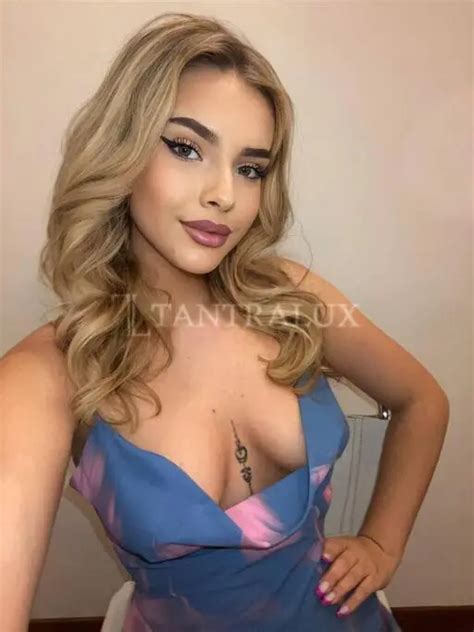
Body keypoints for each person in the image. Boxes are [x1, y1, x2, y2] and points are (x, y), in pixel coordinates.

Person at [0, 11, 449, 631]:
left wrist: (382, 542)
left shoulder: (289, 297)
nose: (225, 195)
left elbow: (423, 400)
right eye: (186, 148)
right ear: (122, 151)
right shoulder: (49, 373)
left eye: (250, 168)